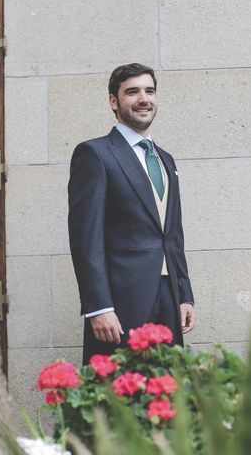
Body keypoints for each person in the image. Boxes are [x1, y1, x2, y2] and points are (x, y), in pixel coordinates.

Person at [68, 63, 196, 364]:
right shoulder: (95, 154)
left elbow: (172, 235)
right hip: (122, 301)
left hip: (168, 296)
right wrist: (98, 307)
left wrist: (185, 293)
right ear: (114, 101)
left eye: (149, 91)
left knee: (168, 389)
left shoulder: (165, 159)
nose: (144, 99)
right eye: (132, 92)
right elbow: (86, 238)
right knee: (119, 393)